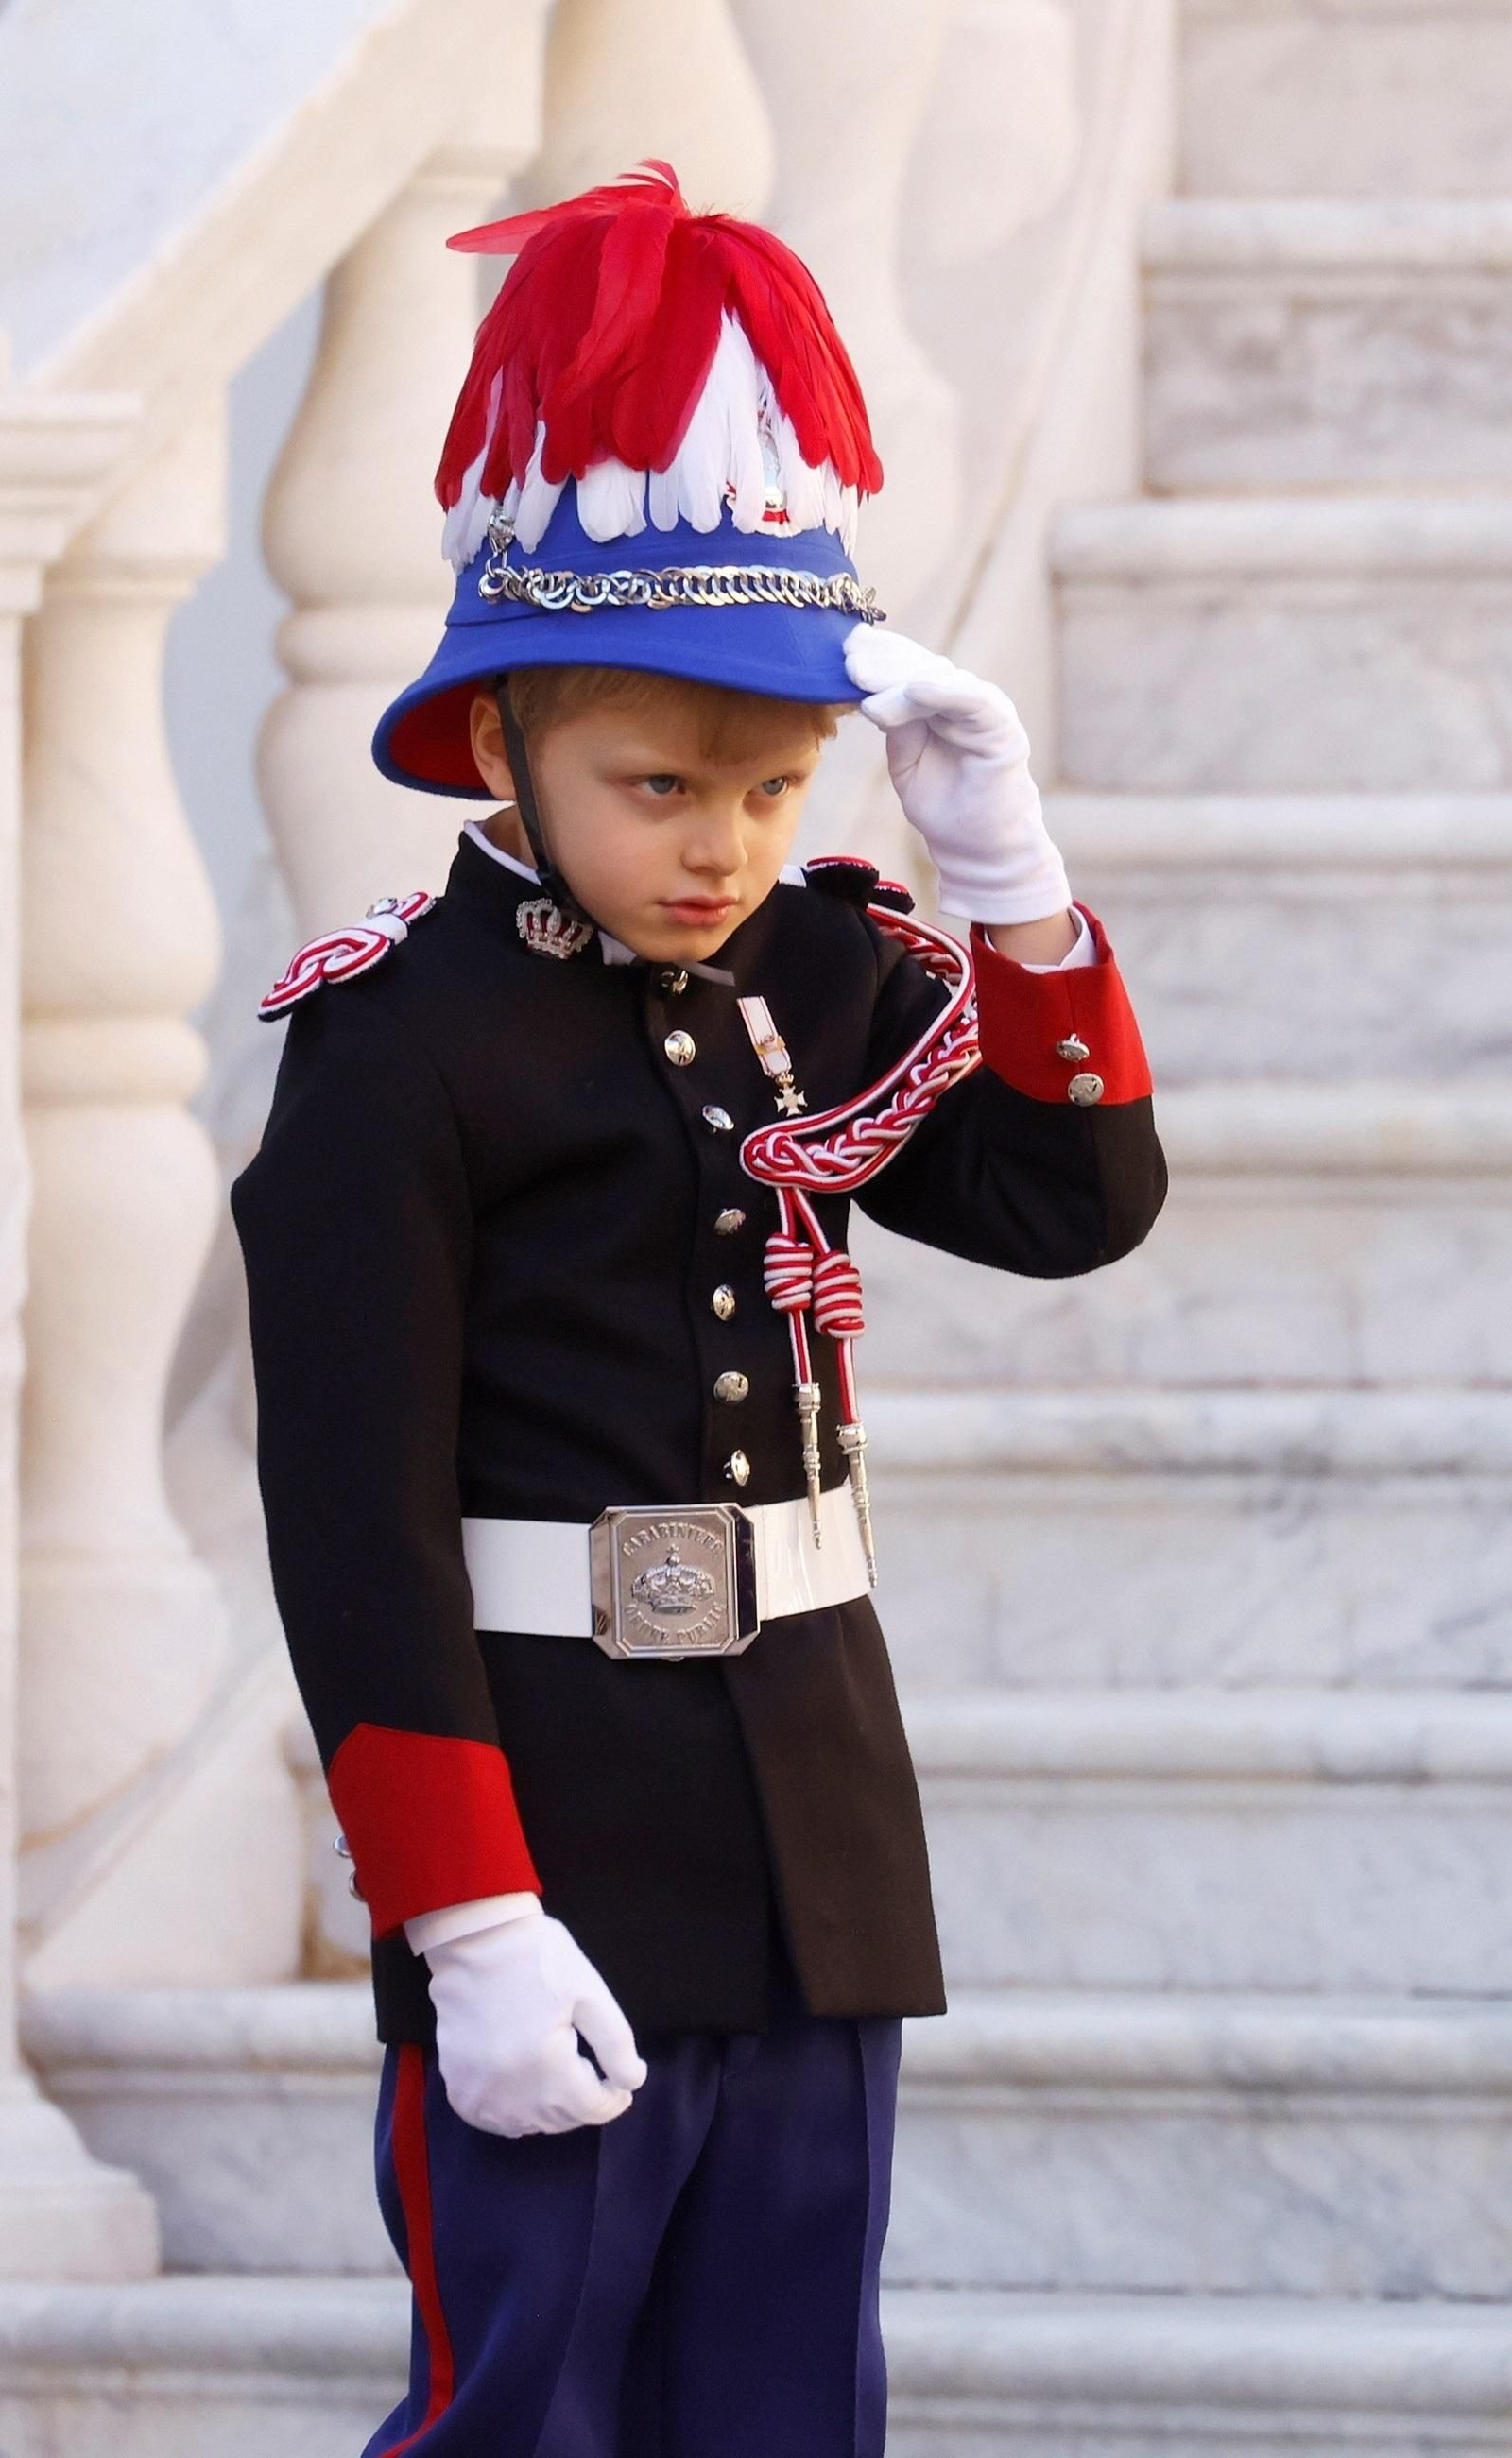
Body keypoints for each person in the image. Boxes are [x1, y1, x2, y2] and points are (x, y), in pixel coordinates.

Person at [231, 161, 1166, 2458]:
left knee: (782, 2413)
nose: (722, 844)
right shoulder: (399, 1045)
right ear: (501, 738)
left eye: (769, 782)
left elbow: (1070, 1200)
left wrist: (1003, 867)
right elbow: (353, 1526)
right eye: (657, 784)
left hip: (814, 1826)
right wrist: (463, 1918)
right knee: (525, 2404)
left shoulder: (821, 968)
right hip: (547, 1829)